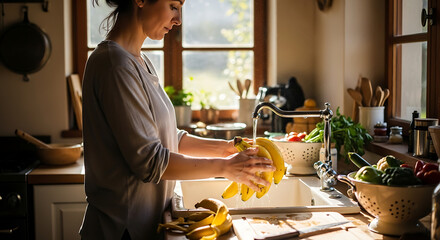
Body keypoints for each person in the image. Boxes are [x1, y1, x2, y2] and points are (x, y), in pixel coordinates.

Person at [80, 0, 275, 239]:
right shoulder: (114, 64)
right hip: (121, 229)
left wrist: (225, 149)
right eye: (173, 5)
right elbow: (150, 162)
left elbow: (169, 137)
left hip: (144, 225)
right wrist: (225, 168)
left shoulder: (139, 61)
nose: (178, 20)